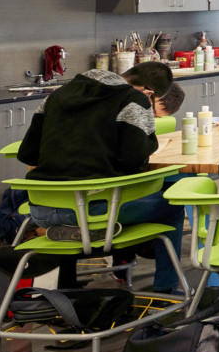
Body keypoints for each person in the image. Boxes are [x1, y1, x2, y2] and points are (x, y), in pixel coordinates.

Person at [16, 61, 186, 294]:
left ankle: (100, 256)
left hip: (41, 210)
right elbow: (133, 162)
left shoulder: (57, 95)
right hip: (92, 210)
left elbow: (27, 153)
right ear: (149, 93)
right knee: (171, 204)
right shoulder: (133, 101)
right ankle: (166, 289)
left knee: (107, 200)